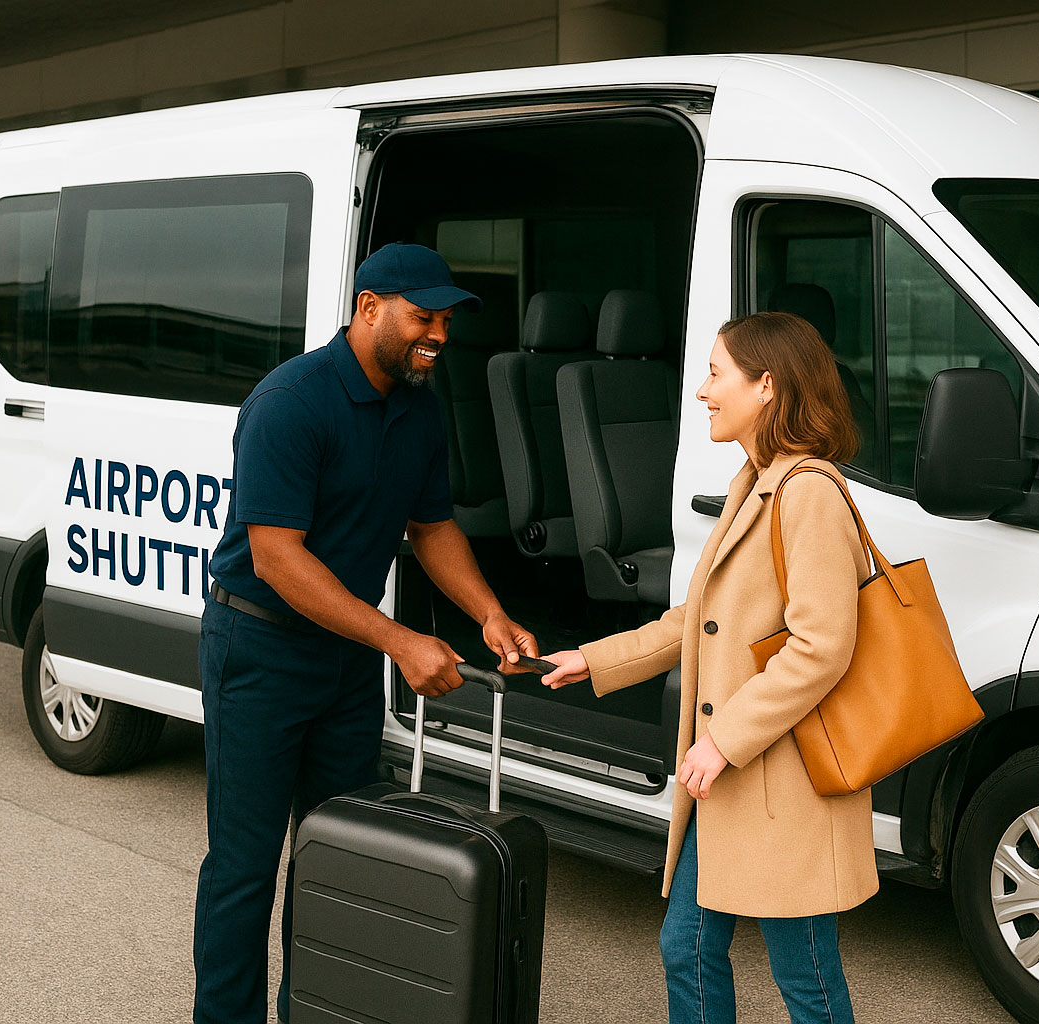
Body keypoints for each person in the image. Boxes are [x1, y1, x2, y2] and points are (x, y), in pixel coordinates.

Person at [194, 242, 541, 1024]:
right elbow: (278, 559)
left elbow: (431, 526)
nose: (440, 336)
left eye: (447, 321)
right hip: (259, 650)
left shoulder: (417, 403)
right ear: (369, 307)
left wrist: (486, 611)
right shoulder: (291, 401)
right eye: (425, 317)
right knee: (245, 871)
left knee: (337, 856)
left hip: (346, 659)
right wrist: (397, 640)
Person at [541, 310, 878, 1024]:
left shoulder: (807, 491)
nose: (702, 391)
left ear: (767, 385)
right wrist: (595, 659)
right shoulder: (754, 480)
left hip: (782, 781)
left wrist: (723, 740)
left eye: (717, 373)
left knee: (807, 980)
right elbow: (697, 622)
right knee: (688, 948)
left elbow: (822, 648)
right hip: (733, 777)